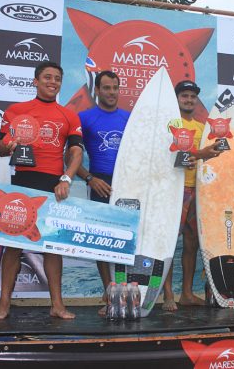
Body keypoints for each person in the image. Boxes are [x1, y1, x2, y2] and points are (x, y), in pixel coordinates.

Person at [0, 62, 83, 320]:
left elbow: (76, 152)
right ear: (35, 81)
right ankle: (4, 304)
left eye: (57, 78)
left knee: (53, 247)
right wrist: (10, 145)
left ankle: (57, 305)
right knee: (13, 245)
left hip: (54, 184)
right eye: (47, 77)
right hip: (23, 182)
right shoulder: (16, 111)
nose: (52, 82)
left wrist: (66, 178)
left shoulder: (68, 115)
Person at [162, 80, 222, 311]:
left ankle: (186, 293)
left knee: (191, 244)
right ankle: (167, 295)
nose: (188, 100)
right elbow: (176, 159)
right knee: (168, 244)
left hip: (199, 190)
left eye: (192, 96)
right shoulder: (169, 125)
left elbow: (210, 159)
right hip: (174, 190)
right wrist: (201, 153)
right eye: (184, 96)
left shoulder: (203, 127)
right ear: (176, 98)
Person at [76, 71, 130, 310]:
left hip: (128, 184)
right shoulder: (85, 118)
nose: (111, 92)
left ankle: (127, 294)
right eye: (106, 88)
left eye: (115, 88)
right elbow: (70, 156)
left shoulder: (130, 118)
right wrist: (89, 179)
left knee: (126, 241)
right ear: (96, 90)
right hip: (100, 182)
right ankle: (109, 294)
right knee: (102, 242)